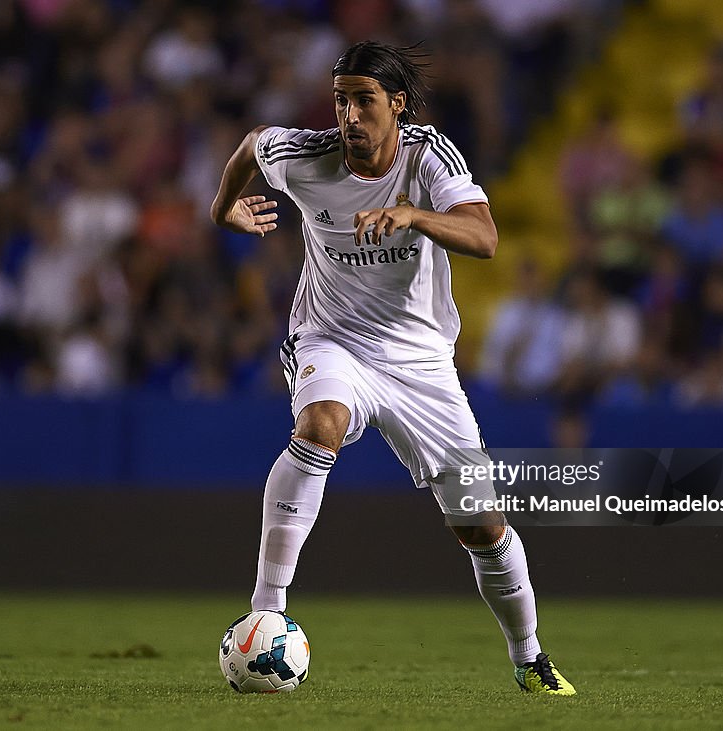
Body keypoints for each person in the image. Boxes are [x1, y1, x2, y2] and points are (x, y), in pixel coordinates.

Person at [210, 41, 575, 696]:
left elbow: (486, 237)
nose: (349, 114)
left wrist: (414, 215)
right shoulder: (305, 156)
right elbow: (250, 146)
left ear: (397, 105)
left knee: (480, 523)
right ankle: (267, 608)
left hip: (418, 359)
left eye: (364, 99)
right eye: (341, 99)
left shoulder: (426, 154)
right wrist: (222, 207)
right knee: (321, 422)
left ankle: (529, 655)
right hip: (331, 337)